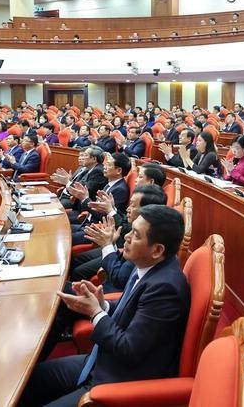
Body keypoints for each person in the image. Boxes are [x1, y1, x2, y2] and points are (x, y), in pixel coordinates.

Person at [19, 205, 190, 406]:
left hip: (120, 381)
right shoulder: (147, 265)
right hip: (100, 361)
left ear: (157, 250)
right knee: (26, 382)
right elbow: (131, 310)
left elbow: (128, 349)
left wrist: (95, 312)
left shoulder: (165, 289)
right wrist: (103, 304)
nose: (126, 237)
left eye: (135, 235)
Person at [68, 184, 168, 284]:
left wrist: (108, 245)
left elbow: (120, 276)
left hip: (117, 255)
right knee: (76, 260)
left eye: (133, 205)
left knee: (78, 272)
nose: (128, 209)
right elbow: (125, 222)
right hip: (115, 246)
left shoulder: (145, 243)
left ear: (147, 210)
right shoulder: (139, 224)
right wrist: (112, 209)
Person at [68, 153, 131, 245]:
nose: (104, 166)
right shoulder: (109, 184)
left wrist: (85, 199)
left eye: (108, 164)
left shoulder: (120, 190)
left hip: (97, 229)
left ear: (118, 170)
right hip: (88, 223)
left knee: (64, 237)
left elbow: (106, 216)